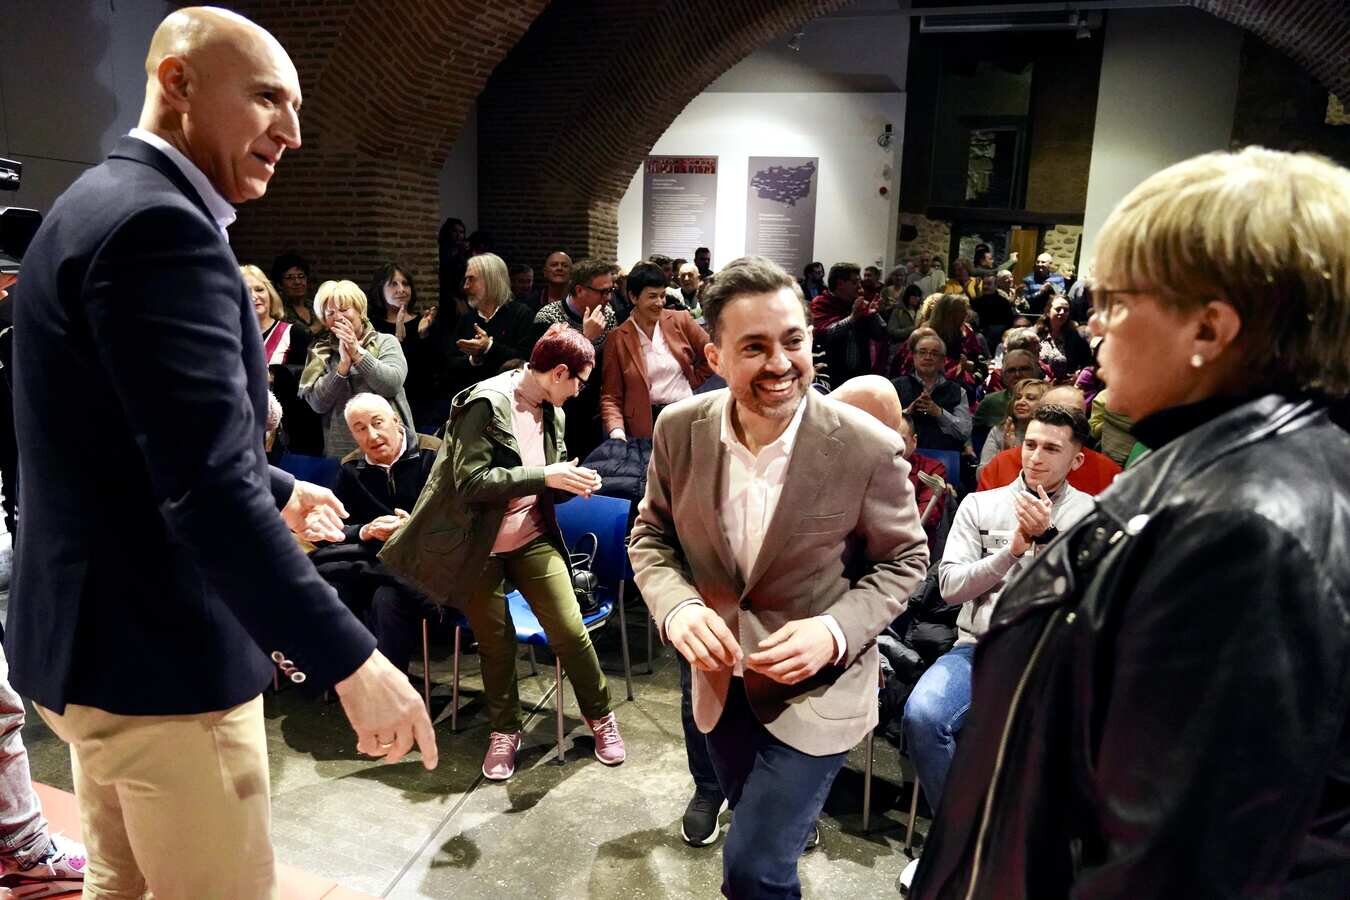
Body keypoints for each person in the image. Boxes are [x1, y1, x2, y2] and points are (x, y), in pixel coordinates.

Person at [3, 9, 436, 897]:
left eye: (297, 105)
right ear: (177, 83)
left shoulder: (91, 202)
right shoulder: (164, 230)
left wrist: (274, 482)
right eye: (269, 97)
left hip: (82, 651)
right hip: (165, 666)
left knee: (120, 886)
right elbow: (204, 493)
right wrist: (353, 661)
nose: (294, 131)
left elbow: (122, 430)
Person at [915, 147, 1350, 899]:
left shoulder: (1243, 528)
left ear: (1208, 331)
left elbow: (1169, 864)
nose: (1095, 322)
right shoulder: (1234, 473)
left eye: (1117, 298)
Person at [629, 255, 929, 897]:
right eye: (755, 346)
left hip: (817, 691)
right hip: (719, 685)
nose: (780, 363)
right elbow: (652, 537)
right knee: (761, 851)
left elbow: (906, 559)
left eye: (794, 341)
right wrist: (677, 608)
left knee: (751, 868)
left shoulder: (866, 446)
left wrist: (836, 629)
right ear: (714, 356)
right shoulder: (678, 430)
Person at [380, 324, 626, 782]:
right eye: (577, 382)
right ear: (557, 372)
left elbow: (545, 480)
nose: (577, 394)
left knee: (571, 631)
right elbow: (472, 483)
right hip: (478, 546)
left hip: (530, 536)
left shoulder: (553, 412)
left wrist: (572, 482)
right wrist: (545, 476)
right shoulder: (485, 405)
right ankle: (504, 731)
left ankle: (601, 717)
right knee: (495, 643)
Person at [900, 404, 1094, 891]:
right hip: (979, 649)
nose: (1037, 457)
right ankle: (959, 842)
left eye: (1053, 448)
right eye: (1031, 444)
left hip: (1053, 659)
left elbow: (1090, 601)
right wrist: (1011, 551)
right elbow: (949, 588)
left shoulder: (1092, 516)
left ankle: (1020, 850)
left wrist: (1046, 541)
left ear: (1076, 459)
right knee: (924, 716)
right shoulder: (980, 506)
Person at [323, 394, 439, 676]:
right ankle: (348, 678)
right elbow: (331, 530)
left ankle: (390, 690)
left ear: (396, 421)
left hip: (426, 563)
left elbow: (461, 518)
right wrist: (366, 530)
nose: (372, 435)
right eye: (360, 428)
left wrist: (414, 527)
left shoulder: (434, 455)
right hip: (374, 561)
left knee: (386, 600)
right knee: (330, 592)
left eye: (377, 423)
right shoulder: (351, 468)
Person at [300, 279, 415, 458]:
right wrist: (342, 367)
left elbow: (391, 385)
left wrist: (358, 355)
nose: (338, 317)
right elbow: (317, 404)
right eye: (330, 313)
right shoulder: (319, 351)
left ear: (360, 311)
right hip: (343, 452)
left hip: (390, 445)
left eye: (345, 309)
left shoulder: (385, 342)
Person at [601, 261, 710, 442]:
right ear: (633, 297)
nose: (660, 303)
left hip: (685, 414)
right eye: (652, 296)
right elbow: (611, 396)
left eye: (662, 295)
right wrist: (617, 433)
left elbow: (712, 353)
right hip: (644, 426)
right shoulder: (618, 338)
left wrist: (693, 379)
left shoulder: (680, 320)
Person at [532, 258, 619, 460]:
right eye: (602, 292)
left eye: (610, 291)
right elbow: (546, 370)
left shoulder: (609, 316)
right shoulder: (548, 316)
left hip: (591, 410)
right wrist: (585, 338)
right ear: (579, 290)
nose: (608, 298)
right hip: (558, 410)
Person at [976, 385, 1121, 494]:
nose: (1065, 422)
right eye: (1054, 413)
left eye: (1076, 415)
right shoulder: (1001, 464)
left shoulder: (1108, 471)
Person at [445, 252, 536, 397]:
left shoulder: (522, 315)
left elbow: (527, 360)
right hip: (472, 401)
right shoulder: (467, 319)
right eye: (465, 280)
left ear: (490, 281)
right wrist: (473, 359)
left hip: (511, 400)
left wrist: (489, 347)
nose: (466, 287)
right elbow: (449, 364)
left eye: (471, 280)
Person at [893, 328, 972, 453]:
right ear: (913, 356)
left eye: (934, 353)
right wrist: (907, 413)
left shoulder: (957, 391)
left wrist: (939, 413)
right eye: (922, 352)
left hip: (944, 458)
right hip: (903, 455)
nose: (928, 357)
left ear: (942, 361)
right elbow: (883, 426)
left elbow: (964, 432)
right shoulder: (896, 386)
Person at [812, 262, 888, 384]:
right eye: (854, 282)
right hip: (831, 377)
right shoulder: (821, 303)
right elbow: (824, 335)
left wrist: (874, 314)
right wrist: (852, 318)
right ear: (840, 284)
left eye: (860, 282)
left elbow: (880, 335)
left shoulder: (859, 304)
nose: (860, 287)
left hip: (860, 377)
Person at [977, 377, 1049, 475]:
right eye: (1018, 398)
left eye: (1030, 398)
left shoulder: (1051, 435)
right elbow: (981, 475)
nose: (1021, 402)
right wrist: (1006, 453)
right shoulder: (999, 431)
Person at [972, 348, 1041, 432]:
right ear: (1003, 375)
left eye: (1024, 369)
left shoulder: (1049, 399)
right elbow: (973, 437)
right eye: (1011, 370)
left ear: (1036, 371)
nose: (1017, 374)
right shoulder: (990, 402)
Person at [1034, 295, 1092, 382]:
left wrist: (1078, 376)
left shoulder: (1076, 337)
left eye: (1066, 310)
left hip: (1066, 387)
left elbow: (1088, 364)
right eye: (1058, 309)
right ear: (1048, 311)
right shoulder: (1036, 334)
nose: (1062, 312)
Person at [271, 251, 322, 335]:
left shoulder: (315, 306)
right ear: (279, 284)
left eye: (301, 276)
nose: (297, 282)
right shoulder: (277, 311)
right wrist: (316, 328)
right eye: (289, 278)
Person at [1020, 251, 1066, 315]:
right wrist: (1039, 293)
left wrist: (1052, 287)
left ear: (1050, 264)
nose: (1039, 264)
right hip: (1033, 314)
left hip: (1052, 315)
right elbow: (1024, 299)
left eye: (1043, 262)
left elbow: (1062, 296)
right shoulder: (1028, 279)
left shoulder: (1058, 278)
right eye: (1038, 262)